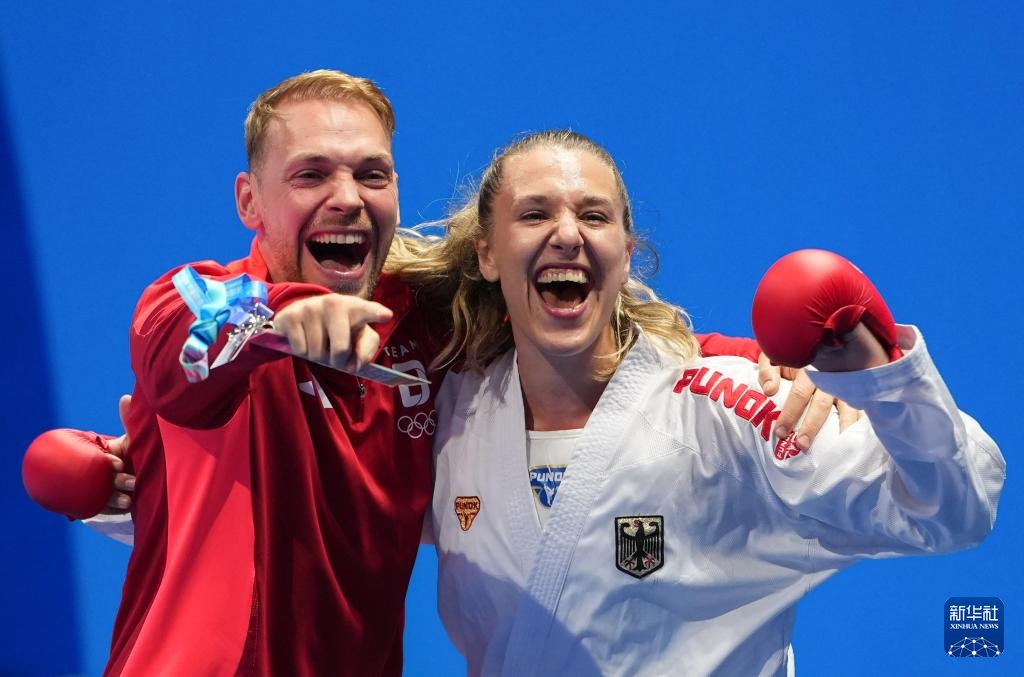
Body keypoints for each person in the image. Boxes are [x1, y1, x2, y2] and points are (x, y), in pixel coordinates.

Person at [23, 71, 821, 675]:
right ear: (249, 200)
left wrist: (754, 363)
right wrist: (282, 319)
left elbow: (600, 324)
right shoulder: (193, 303)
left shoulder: (423, 327)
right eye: (310, 175)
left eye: (371, 174)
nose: (347, 197)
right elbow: (176, 343)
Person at [392, 130, 1006, 675]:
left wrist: (880, 375)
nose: (569, 234)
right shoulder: (454, 415)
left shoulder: (721, 410)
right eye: (534, 214)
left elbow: (954, 509)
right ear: (487, 253)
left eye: (594, 216)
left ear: (626, 256)